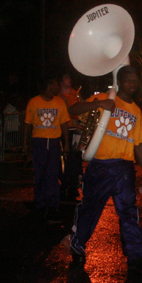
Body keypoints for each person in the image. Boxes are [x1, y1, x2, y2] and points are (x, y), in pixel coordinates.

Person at [68, 66, 142, 272]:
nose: (132, 84)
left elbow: (139, 145)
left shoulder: (136, 111)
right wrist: (99, 103)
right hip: (100, 165)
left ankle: (135, 256)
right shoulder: (104, 97)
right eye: (129, 80)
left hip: (124, 168)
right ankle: (77, 246)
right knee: (90, 208)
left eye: (135, 81)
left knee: (128, 212)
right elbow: (72, 110)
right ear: (120, 81)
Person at [23, 77, 71, 222]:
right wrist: (25, 143)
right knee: (40, 174)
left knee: (52, 174)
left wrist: (66, 143)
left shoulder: (59, 102)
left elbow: (64, 124)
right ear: (48, 86)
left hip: (54, 142)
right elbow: (27, 124)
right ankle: (39, 204)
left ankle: (52, 205)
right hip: (39, 142)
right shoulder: (34, 102)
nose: (56, 88)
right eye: (54, 85)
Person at [60, 73, 83, 202]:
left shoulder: (75, 93)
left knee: (75, 157)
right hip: (63, 128)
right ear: (61, 80)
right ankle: (64, 183)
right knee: (63, 158)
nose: (69, 79)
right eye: (66, 77)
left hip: (74, 128)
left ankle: (74, 184)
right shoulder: (57, 94)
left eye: (69, 77)